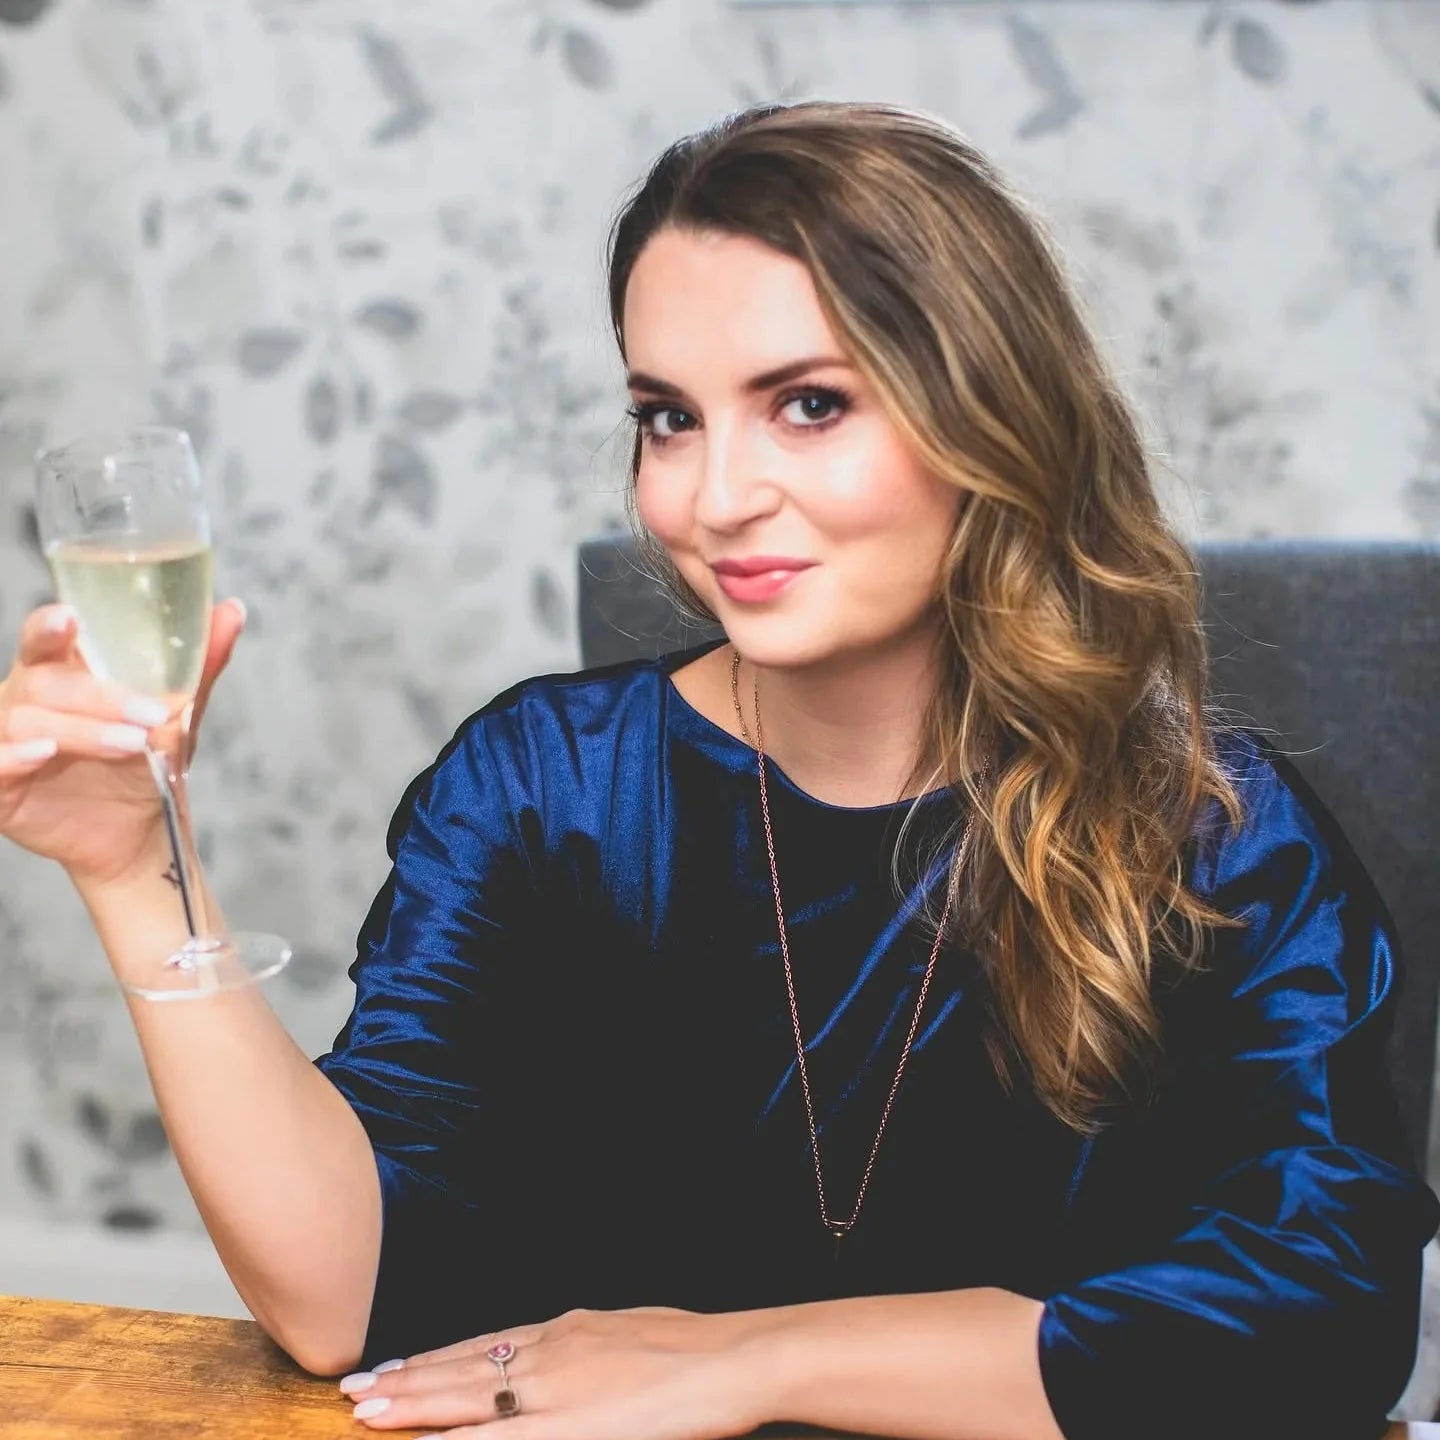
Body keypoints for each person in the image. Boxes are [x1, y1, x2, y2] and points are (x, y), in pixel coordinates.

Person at [0, 100, 1434, 1440]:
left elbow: (1325, 1322)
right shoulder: (543, 790)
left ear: (989, 419)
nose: (712, 496)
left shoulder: (1212, 837)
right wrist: (136, 874)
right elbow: (345, 1294)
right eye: (668, 416)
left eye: (808, 403)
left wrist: (754, 1358)